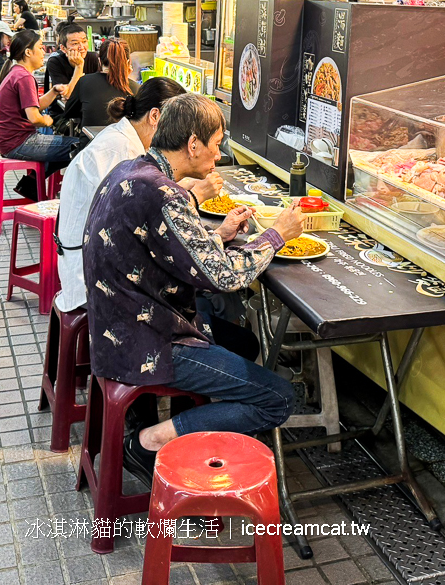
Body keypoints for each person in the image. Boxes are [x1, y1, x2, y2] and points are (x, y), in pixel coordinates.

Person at [83, 94, 307, 479]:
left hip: (116, 329)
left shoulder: (131, 171)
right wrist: (275, 235)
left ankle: (195, 430)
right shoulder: (163, 194)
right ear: (193, 144)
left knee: (243, 344)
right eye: (217, 144)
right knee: (279, 397)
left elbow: (171, 250)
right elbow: (224, 278)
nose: (218, 155)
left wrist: (218, 235)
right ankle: (151, 440)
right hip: (147, 343)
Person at [55, 77, 220, 313]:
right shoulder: (119, 149)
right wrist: (194, 198)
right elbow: (145, 220)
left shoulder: (124, 138)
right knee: (197, 281)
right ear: (155, 116)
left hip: (98, 264)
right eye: (177, 122)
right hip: (92, 282)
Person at [0, 30, 82, 172]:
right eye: (40, 47)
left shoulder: (17, 72)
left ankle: (33, 182)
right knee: (82, 146)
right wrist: (46, 121)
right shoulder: (24, 77)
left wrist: (54, 91)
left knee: (75, 147)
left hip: (8, 142)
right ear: (28, 52)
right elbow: (34, 118)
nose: (43, 52)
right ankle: (33, 183)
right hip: (19, 143)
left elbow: (35, 105)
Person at [58, 36, 138, 133]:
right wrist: (127, 78)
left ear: (99, 61)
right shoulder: (136, 88)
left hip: (89, 145)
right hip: (124, 147)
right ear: (128, 62)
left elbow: (69, 112)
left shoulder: (85, 81)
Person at [43, 20, 88, 118]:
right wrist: (79, 67)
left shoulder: (93, 58)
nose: (82, 47)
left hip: (88, 111)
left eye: (84, 41)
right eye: (75, 43)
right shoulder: (55, 62)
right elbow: (68, 97)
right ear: (63, 48)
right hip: (63, 115)